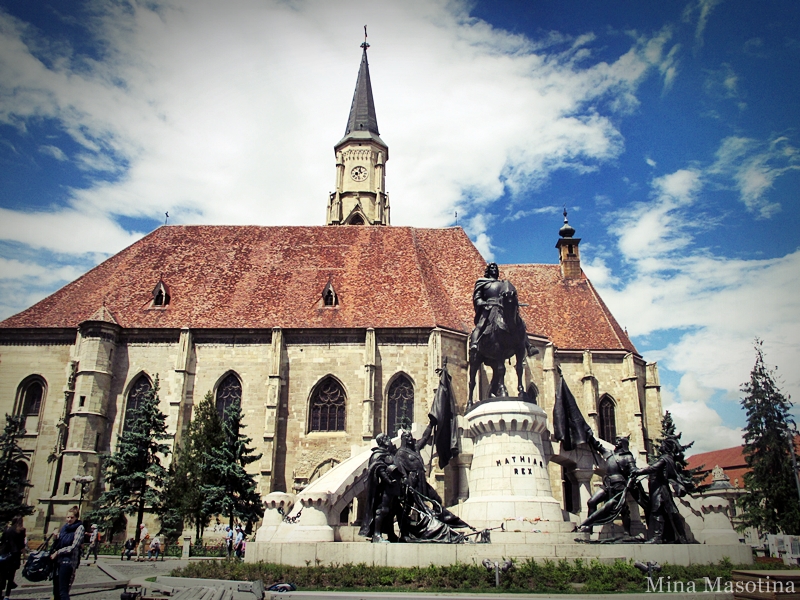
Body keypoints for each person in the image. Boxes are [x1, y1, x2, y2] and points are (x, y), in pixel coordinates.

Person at [578, 434, 647, 536]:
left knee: (623, 509)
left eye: (619, 441)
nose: (617, 442)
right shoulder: (609, 454)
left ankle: (627, 532)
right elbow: (598, 446)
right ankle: (589, 527)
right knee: (592, 502)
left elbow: (633, 469)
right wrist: (589, 435)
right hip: (607, 484)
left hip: (619, 484)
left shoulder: (628, 456)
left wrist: (640, 471)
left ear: (624, 444)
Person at [634, 437, 691, 544]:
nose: (660, 447)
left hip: (660, 489)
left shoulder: (664, 459)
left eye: (662, 445)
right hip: (661, 487)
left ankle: (657, 537)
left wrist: (637, 471)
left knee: (658, 510)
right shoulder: (668, 458)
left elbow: (652, 468)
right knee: (671, 511)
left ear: (666, 448)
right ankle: (682, 538)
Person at [358, 433, 402, 543]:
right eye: (386, 438)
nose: (389, 439)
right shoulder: (377, 454)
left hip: (393, 487)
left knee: (392, 511)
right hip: (384, 487)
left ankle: (391, 534)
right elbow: (379, 468)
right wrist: (388, 480)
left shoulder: (389, 453)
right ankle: (376, 535)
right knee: (383, 509)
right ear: (382, 441)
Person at [50, 506, 84, 600]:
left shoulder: (80, 528)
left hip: (68, 562)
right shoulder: (64, 527)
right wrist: (55, 536)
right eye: (67, 517)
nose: (69, 519)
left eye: (72, 517)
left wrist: (58, 552)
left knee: (63, 591)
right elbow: (58, 543)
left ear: (76, 517)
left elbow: (74, 546)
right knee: (56, 590)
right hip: (58, 561)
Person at [0, 516, 26, 600]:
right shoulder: (21, 531)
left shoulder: (8, 530)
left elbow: (2, 541)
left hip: (5, 555)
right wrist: (24, 557)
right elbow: (22, 545)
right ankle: (7, 595)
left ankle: (0, 593)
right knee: (11, 576)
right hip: (15, 556)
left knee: (2, 575)